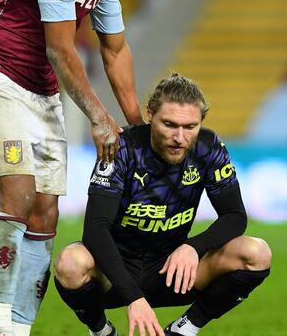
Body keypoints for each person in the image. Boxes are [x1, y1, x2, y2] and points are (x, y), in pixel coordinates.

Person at [0, 0, 168, 335]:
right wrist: (98, 117)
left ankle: (19, 329)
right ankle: (0, 330)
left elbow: (115, 51)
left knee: (46, 215)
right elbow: (59, 49)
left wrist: (137, 125)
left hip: (44, 94)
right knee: (18, 199)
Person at [54, 74, 272, 336]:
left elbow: (235, 216)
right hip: (113, 273)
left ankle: (185, 330)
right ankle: (102, 332)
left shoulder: (208, 148)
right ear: (150, 114)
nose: (179, 137)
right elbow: (95, 229)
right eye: (169, 124)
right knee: (70, 263)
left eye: (190, 126)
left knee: (256, 253)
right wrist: (134, 298)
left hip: (173, 271)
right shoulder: (122, 147)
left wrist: (193, 247)